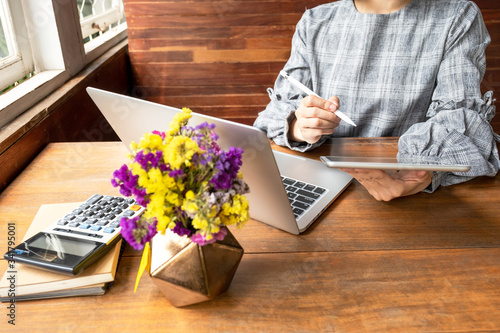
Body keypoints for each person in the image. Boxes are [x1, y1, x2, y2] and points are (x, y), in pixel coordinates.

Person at [253, 0, 500, 201]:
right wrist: (299, 125)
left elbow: (460, 115)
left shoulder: (457, 16)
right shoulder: (315, 21)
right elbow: (277, 110)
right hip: (319, 180)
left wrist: (424, 169)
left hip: (415, 195)